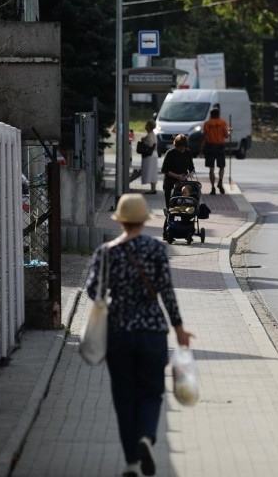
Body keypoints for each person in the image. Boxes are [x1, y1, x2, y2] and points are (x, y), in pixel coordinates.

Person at [85, 193, 193, 476]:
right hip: (152, 332)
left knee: (123, 397)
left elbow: (92, 291)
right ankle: (146, 435)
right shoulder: (157, 250)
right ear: (144, 221)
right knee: (152, 392)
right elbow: (167, 292)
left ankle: (132, 462)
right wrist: (179, 328)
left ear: (120, 221)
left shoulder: (106, 252)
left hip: (119, 333)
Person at [200, 107, 229, 195]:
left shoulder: (207, 123)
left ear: (211, 114)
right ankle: (220, 181)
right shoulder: (223, 122)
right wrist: (230, 132)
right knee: (221, 166)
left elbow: (205, 136)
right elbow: (226, 136)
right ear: (218, 114)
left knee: (211, 168)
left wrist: (201, 148)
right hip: (220, 146)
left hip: (210, 146)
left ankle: (213, 187)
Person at [160, 134, 195, 202]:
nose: (182, 149)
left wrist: (190, 174)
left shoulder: (188, 152)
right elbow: (164, 170)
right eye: (180, 147)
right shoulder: (170, 153)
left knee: (183, 201)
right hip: (170, 181)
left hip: (183, 182)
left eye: (184, 147)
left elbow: (191, 168)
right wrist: (177, 176)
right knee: (171, 202)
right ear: (176, 146)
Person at [137, 120, 159, 194]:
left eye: (146, 125)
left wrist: (143, 141)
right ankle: (153, 188)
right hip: (153, 154)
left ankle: (153, 189)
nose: (145, 126)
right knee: (153, 171)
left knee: (150, 171)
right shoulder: (153, 134)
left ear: (149, 126)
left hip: (150, 155)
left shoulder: (150, 135)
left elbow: (150, 144)